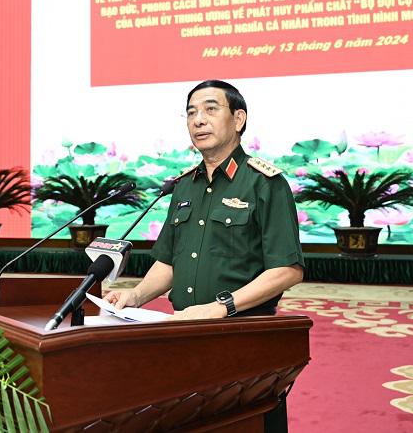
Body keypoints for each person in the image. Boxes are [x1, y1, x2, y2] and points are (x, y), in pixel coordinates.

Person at [104, 79, 304, 431]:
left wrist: (220, 307)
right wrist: (135, 295)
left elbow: (287, 270)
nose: (198, 120)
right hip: (184, 333)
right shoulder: (183, 185)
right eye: (191, 112)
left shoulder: (264, 183)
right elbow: (169, 261)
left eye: (211, 109)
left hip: (242, 337)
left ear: (238, 119)